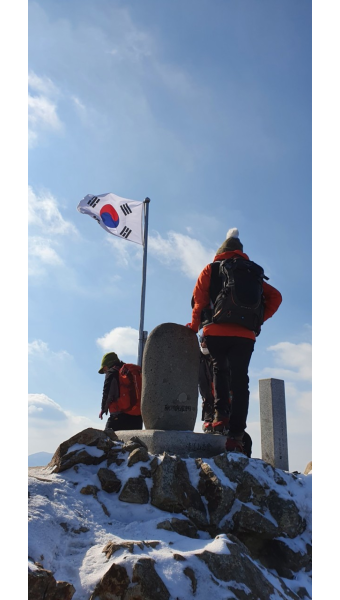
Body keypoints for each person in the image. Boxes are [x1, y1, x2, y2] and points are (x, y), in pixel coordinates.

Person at [189, 228, 282, 454]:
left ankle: (220, 418)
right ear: (240, 253)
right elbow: (275, 297)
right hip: (245, 335)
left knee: (220, 370)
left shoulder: (210, 269)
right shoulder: (252, 273)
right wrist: (257, 321)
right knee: (241, 381)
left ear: (220, 252)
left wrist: (194, 327)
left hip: (215, 331)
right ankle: (237, 434)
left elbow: (199, 303)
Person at [198, 335, 252, 458]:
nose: (203, 344)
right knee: (213, 437)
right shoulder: (200, 360)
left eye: (205, 341)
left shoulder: (223, 358)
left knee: (245, 439)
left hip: (226, 404)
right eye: (201, 341)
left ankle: (242, 458)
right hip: (210, 405)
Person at [98, 351, 143, 431]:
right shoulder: (129, 373)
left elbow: (107, 393)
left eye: (104, 369)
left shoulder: (112, 372)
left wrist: (103, 409)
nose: (105, 372)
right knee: (132, 443)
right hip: (137, 418)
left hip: (119, 417)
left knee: (107, 440)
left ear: (107, 365)